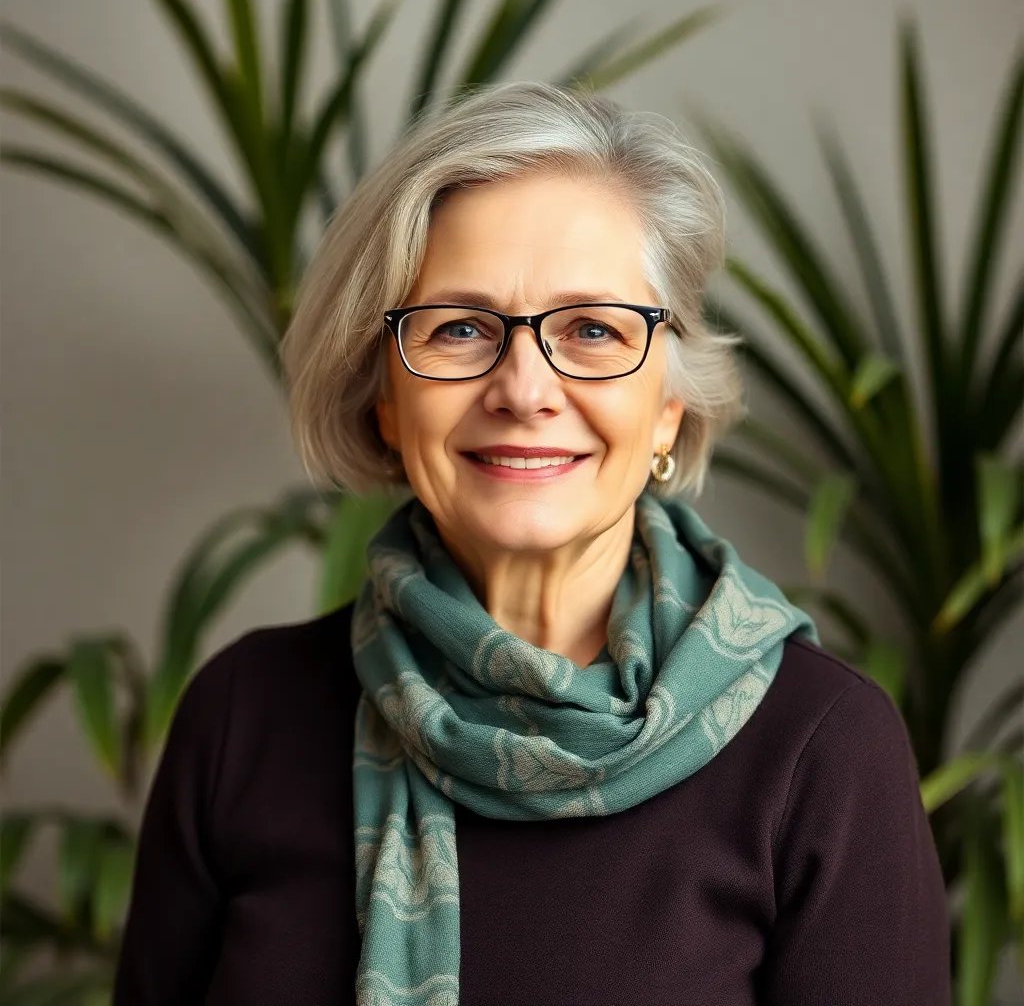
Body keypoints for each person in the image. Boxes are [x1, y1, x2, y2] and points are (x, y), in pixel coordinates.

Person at [113, 81, 950, 1005]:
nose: (524, 388)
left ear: (668, 407)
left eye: (592, 329)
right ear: (385, 400)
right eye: (462, 328)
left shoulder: (822, 751)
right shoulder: (243, 717)